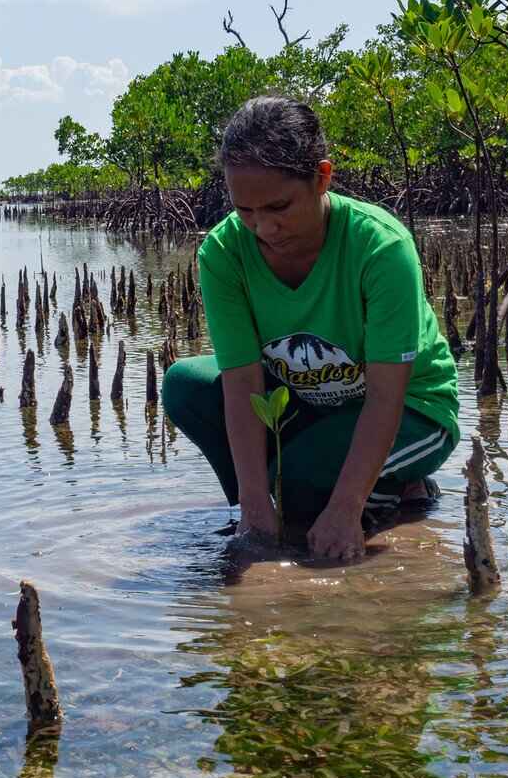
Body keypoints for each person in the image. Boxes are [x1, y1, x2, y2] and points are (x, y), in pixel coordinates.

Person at [162, 95, 459, 561]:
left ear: (322, 178)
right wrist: (255, 507)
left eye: (278, 206)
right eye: (245, 211)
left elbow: (386, 395)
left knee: (300, 486)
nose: (264, 227)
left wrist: (346, 506)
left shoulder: (381, 247)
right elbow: (243, 383)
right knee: (185, 385)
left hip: (413, 409)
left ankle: (394, 487)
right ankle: (291, 492)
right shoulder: (222, 254)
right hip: (310, 400)